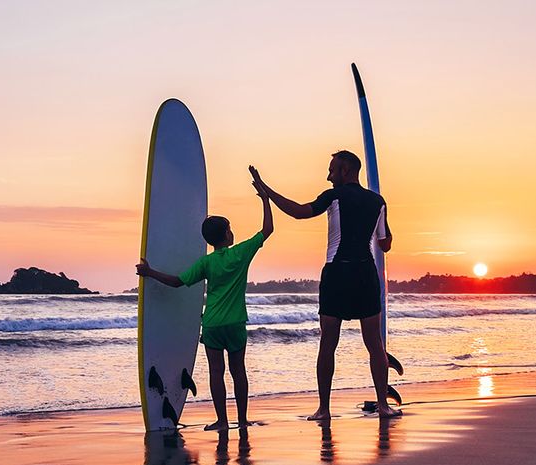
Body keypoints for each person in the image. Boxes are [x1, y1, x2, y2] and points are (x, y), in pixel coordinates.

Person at [250, 151, 398, 419]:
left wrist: (266, 191)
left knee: (328, 342)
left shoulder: (334, 196)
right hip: (366, 274)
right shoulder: (378, 201)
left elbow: (298, 212)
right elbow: (384, 244)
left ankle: (324, 409)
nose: (328, 176)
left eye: (332, 170)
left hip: (337, 274)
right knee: (374, 343)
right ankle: (383, 406)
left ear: (345, 170)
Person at [136, 178, 273, 430]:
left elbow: (177, 282)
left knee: (216, 372)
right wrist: (265, 199)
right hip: (235, 323)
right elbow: (267, 230)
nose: (232, 232)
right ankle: (242, 421)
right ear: (225, 234)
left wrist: (150, 272)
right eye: (230, 229)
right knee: (238, 371)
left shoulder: (206, 263)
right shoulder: (241, 253)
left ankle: (222, 421)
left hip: (212, 324)